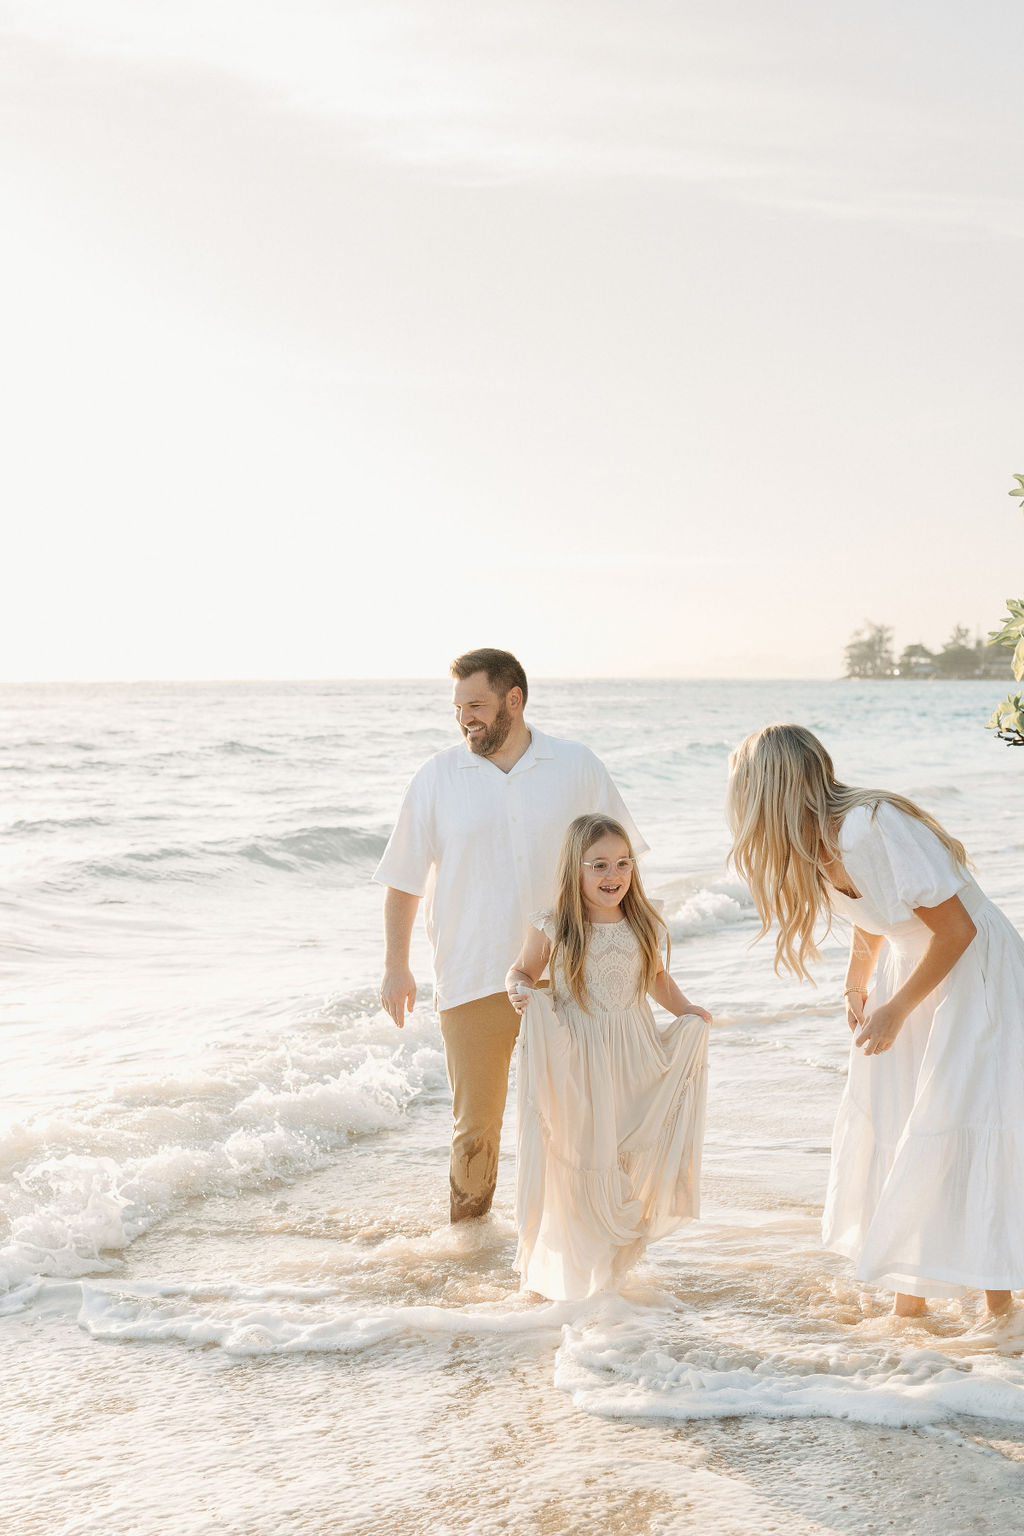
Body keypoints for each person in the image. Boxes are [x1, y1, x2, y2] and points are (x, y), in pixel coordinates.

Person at [727, 722, 1024, 1338]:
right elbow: (879, 912)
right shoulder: (815, 842)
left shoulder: (870, 825)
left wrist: (898, 1009)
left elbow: (958, 929)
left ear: (772, 787)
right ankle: (910, 1303)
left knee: (966, 1117)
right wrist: (858, 982)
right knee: (900, 1119)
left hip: (972, 971)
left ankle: (1002, 1313)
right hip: (911, 966)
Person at [375, 649, 647, 1223]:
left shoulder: (576, 765)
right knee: (476, 1127)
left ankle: (584, 1246)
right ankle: (469, 1248)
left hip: (575, 975)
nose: (464, 718)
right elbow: (402, 879)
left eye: (476, 705)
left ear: (514, 701)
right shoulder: (436, 778)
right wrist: (396, 964)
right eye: (458, 708)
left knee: (583, 1119)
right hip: (472, 973)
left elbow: (621, 865)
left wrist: (638, 952)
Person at [506, 813, 711, 1301]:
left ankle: (612, 1271)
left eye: (622, 864)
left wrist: (687, 1012)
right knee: (582, 1152)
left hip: (633, 1052)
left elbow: (656, 980)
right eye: (598, 866)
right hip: (580, 1055)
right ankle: (579, 1268)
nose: (612, 876)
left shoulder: (642, 920)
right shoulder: (555, 924)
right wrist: (517, 989)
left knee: (623, 1150)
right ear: (574, 869)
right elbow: (521, 970)